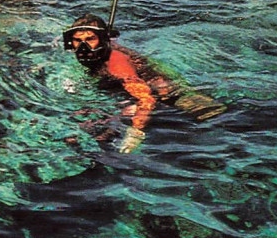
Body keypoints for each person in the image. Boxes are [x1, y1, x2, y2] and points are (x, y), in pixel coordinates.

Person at [64, 11, 226, 154]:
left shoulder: (116, 63)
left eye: (90, 39)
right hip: (148, 91)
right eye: (78, 40)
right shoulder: (102, 49)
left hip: (171, 97)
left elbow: (146, 99)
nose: (83, 46)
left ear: (102, 39)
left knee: (218, 122)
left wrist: (135, 133)